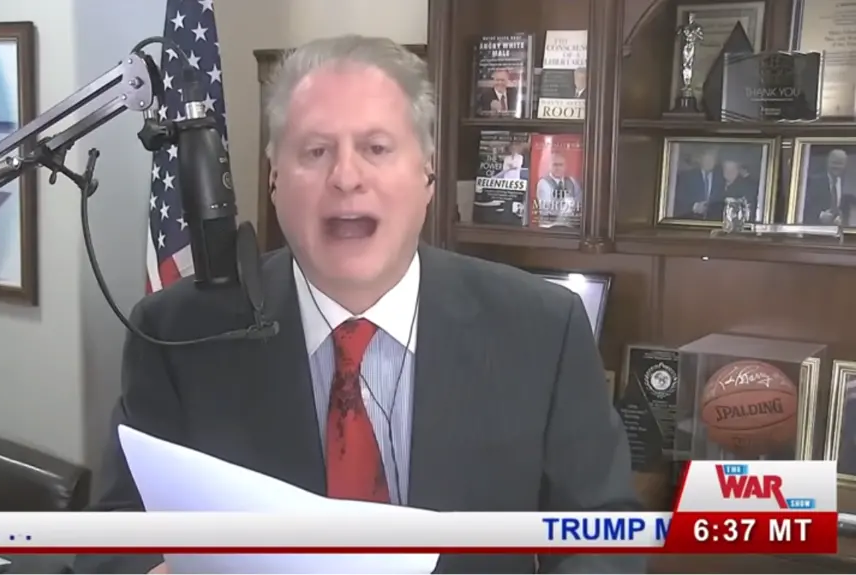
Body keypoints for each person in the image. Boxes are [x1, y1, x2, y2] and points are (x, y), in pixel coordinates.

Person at [76, 35, 642, 574]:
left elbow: (606, 535)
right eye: (316, 151)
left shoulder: (542, 329)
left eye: (376, 148)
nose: (346, 177)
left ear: (427, 175)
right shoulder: (176, 335)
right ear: (275, 181)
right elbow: (112, 546)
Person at [802, 148, 855, 226]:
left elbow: (845, 210)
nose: (836, 166)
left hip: (838, 230)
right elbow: (803, 206)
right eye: (834, 163)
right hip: (816, 228)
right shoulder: (813, 181)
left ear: (845, 165)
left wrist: (842, 220)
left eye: (840, 164)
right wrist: (820, 216)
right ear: (827, 162)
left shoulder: (847, 184)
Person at [673, 147, 722, 219]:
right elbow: (678, 201)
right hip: (691, 220)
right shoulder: (687, 177)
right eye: (706, 159)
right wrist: (694, 207)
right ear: (700, 159)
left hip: (713, 221)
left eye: (712, 159)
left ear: (716, 161)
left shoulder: (721, 177)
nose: (709, 162)